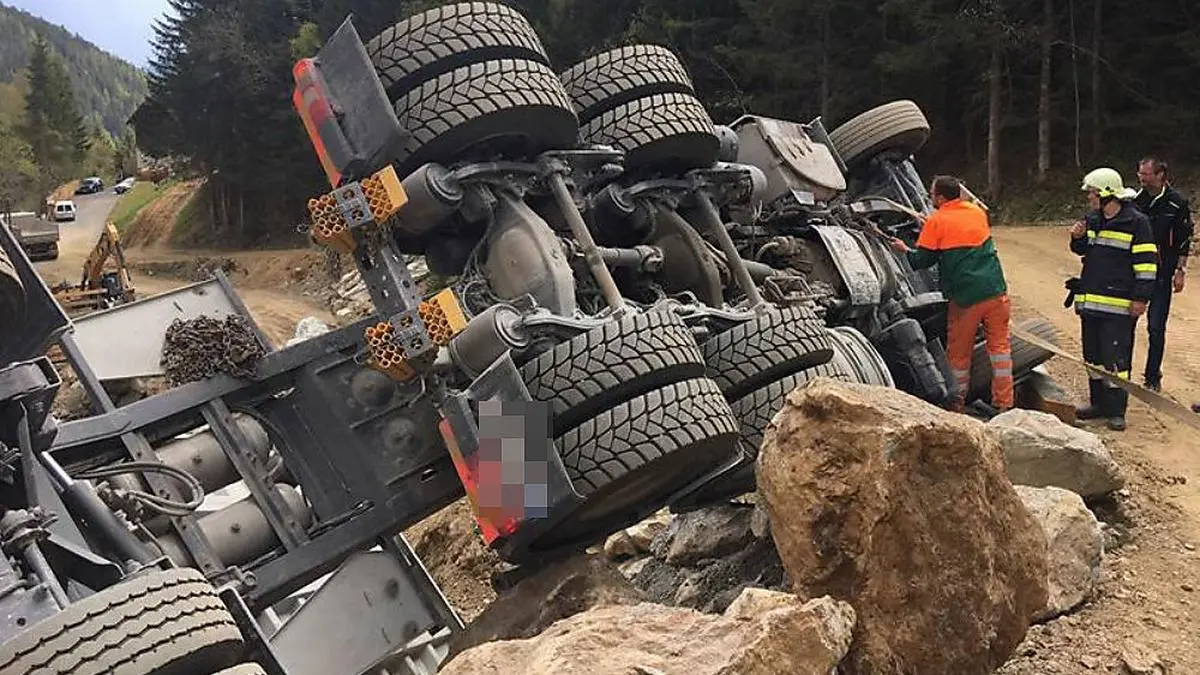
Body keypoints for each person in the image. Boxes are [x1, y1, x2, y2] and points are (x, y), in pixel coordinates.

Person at [890, 175, 1012, 413]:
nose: (929, 196)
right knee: (1000, 350)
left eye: (932, 193)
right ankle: (1004, 403)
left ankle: (957, 403)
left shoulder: (937, 222)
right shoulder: (976, 212)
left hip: (966, 299)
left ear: (940, 197)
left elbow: (922, 260)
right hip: (996, 292)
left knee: (958, 355)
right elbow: (959, 233)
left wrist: (904, 249)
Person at [1069, 168, 1158, 431]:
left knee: (1116, 360)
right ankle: (1099, 405)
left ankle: (1117, 410)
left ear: (1108, 194)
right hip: (1092, 304)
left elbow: (1146, 265)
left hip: (1119, 306)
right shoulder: (1093, 219)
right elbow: (1084, 250)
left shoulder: (1137, 223)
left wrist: (1141, 299)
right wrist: (1078, 238)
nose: (1089, 198)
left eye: (1092, 193)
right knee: (1093, 358)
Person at [1133, 157, 1194, 391]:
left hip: (1162, 273)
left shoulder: (1177, 203)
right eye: (1140, 174)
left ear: (1160, 175)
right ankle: (1121, 372)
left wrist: (1180, 270)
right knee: (1126, 323)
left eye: (1146, 174)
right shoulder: (1135, 201)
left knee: (1156, 327)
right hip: (1135, 273)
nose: (1142, 178)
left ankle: (1152, 376)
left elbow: (1183, 240)